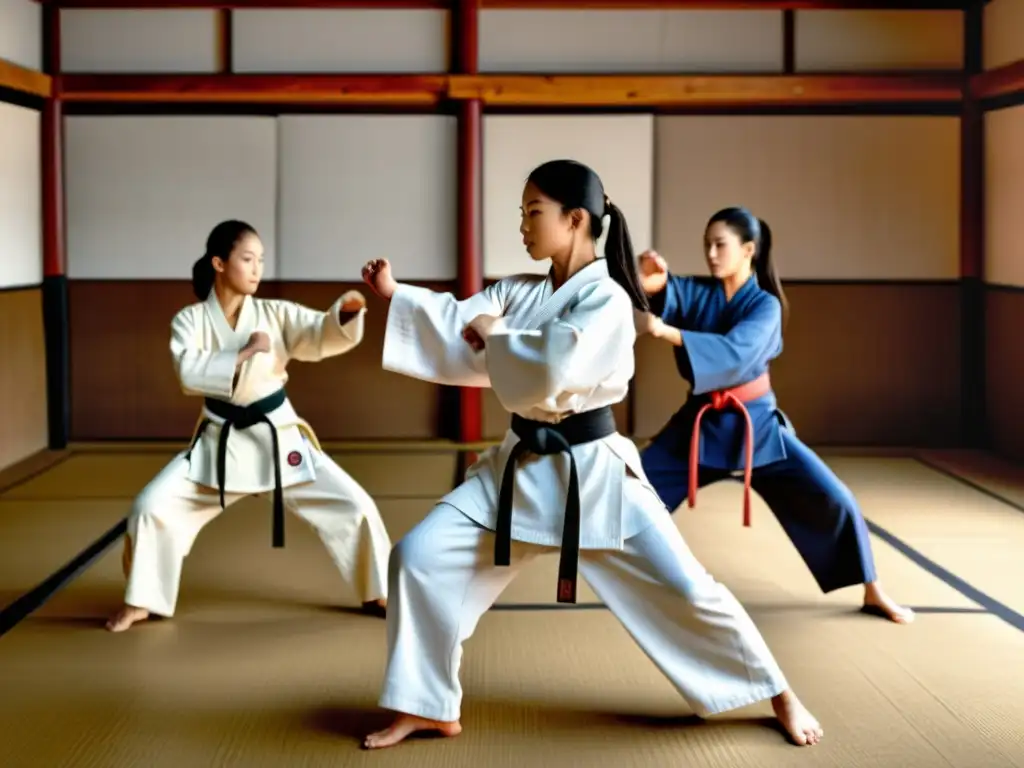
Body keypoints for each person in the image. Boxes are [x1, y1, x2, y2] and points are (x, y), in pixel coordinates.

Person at [359, 161, 823, 750]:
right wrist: (398, 296)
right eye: (522, 213)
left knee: (686, 587)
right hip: (519, 468)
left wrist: (494, 333)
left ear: (575, 219)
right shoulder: (520, 290)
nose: (523, 225)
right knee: (418, 557)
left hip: (594, 474)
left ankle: (777, 689)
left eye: (533, 212)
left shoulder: (608, 298)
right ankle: (427, 705)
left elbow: (551, 368)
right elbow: (462, 324)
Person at [105, 220, 392, 633]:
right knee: (151, 506)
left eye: (261, 260)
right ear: (219, 263)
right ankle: (143, 600)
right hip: (218, 443)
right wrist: (243, 354)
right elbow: (188, 372)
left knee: (356, 505)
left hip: (276, 437)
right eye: (247, 259)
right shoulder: (189, 321)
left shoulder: (274, 313)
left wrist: (344, 313)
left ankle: (379, 589)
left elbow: (318, 332)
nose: (257, 269)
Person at [634, 206, 913, 625]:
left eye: (720, 244)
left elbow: (733, 355)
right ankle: (612, 573)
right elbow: (667, 292)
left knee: (833, 497)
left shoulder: (764, 306)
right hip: (701, 423)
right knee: (632, 485)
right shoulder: (699, 293)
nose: (710, 252)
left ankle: (872, 588)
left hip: (756, 425)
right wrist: (650, 284)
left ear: (748, 249)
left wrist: (664, 330)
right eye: (706, 244)